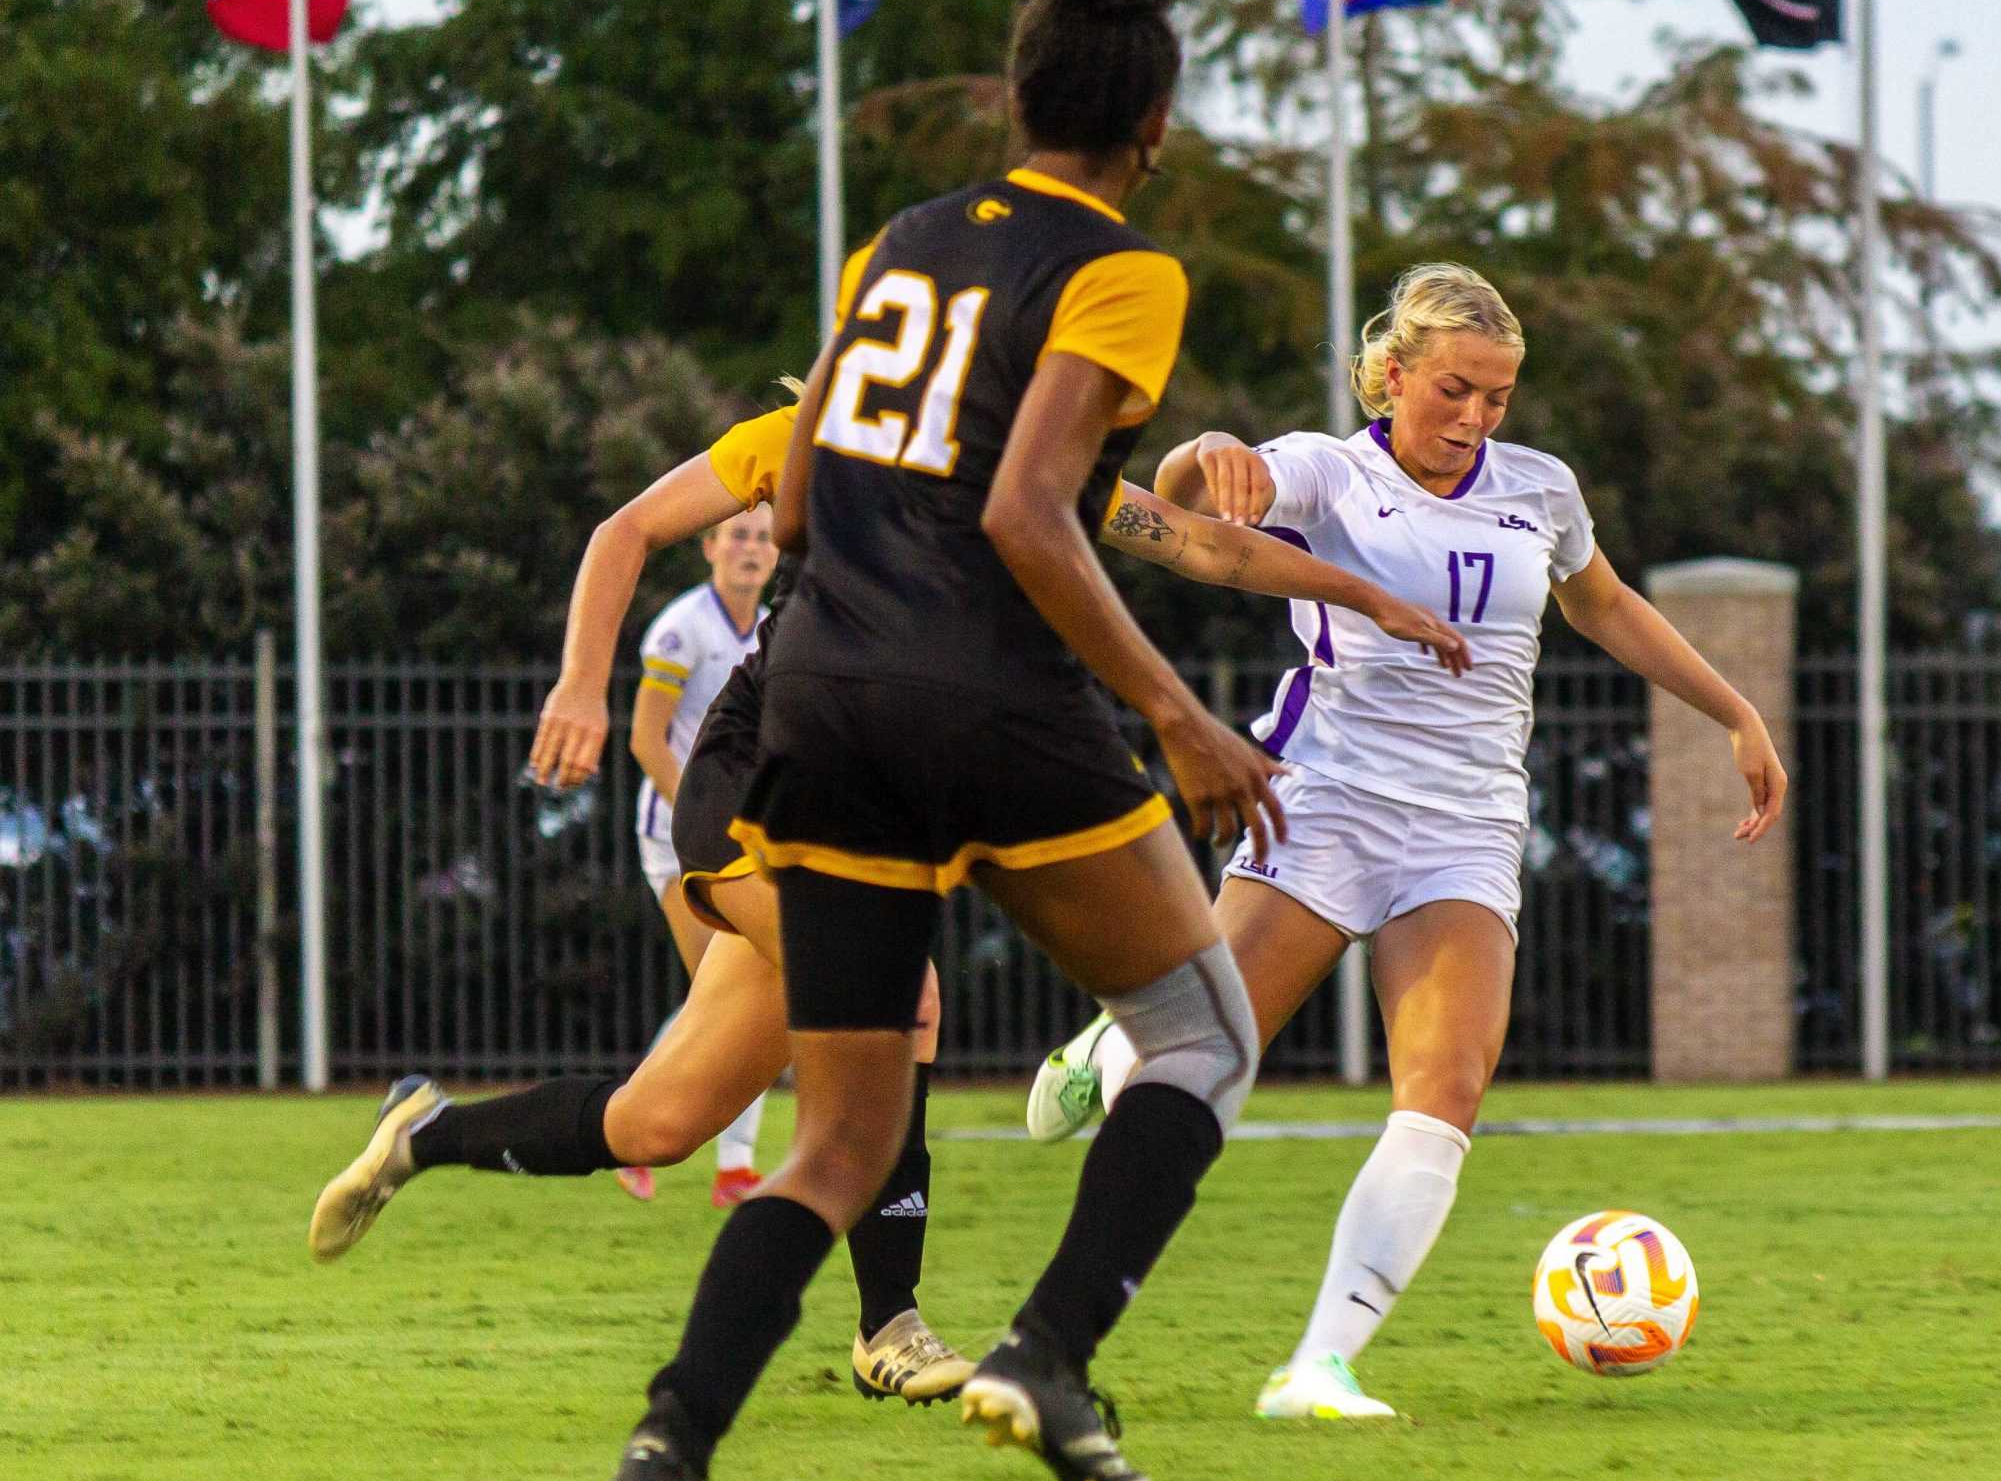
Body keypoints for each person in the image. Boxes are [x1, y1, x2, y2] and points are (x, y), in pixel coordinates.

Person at [305, 396, 1464, 1419]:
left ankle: (427, 1131)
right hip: (752, 781)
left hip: (862, 802)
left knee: (661, 1122)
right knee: (901, 989)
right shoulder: (822, 430)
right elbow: (626, 530)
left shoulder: (1038, 463)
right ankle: (889, 1328)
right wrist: (578, 681)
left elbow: (1211, 549)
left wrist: (1370, 597)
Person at [592, 0, 1300, 1481]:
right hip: (983, 692)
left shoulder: (900, 243)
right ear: (1154, 126)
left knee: (836, 1139)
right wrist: (1181, 712)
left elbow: (787, 494)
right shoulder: (1124, 264)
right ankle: (1050, 1355)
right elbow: (1032, 508)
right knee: (1201, 1036)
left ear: (1018, 92)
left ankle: (666, 1451)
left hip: (824, 691)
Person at [1025, 261, 1788, 1423]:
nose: (1476, 417)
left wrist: (1734, 708)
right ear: (1391, 374)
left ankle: (1319, 1365)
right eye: (1454, 389)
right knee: (1210, 1046)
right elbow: (1187, 521)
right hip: (1326, 802)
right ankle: (1107, 1051)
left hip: (1468, 828)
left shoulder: (1540, 490)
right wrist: (1205, 448)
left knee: (1444, 1091)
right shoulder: (1331, 469)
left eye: (1496, 397)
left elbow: (1607, 603)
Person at [623, 504, 778, 1208]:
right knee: (722, 1001)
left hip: (741, 835)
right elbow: (646, 740)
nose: (752, 547)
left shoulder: (775, 620)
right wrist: (704, 817)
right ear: (709, 546)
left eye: (763, 537)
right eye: (738, 535)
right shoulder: (682, 627)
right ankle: (641, 1129)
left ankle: (712, 1158)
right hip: (678, 836)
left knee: (725, 1001)